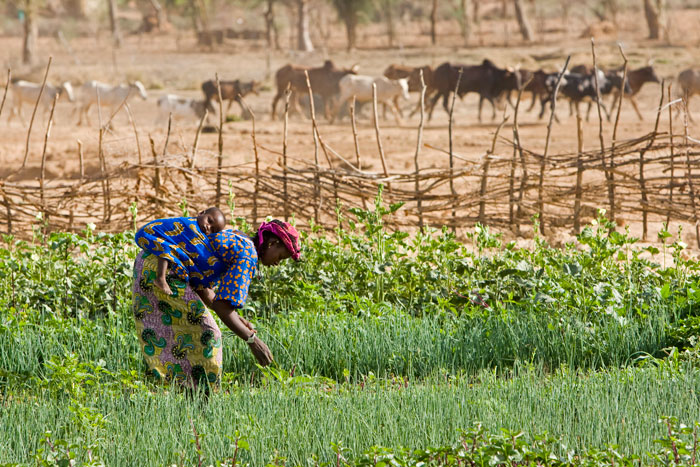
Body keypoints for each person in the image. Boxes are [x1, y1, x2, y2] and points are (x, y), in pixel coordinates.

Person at [131, 218, 301, 392]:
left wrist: (238, 319)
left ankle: (187, 392)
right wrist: (252, 340)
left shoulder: (238, 237)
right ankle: (201, 399)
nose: (277, 263)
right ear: (272, 243)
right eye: (280, 256)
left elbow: (205, 291)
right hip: (165, 271)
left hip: (150, 261)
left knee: (188, 332)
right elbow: (222, 305)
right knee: (208, 334)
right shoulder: (248, 255)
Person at [134, 207, 226, 295]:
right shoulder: (190, 226)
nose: (208, 227)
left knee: (176, 252)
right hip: (148, 234)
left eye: (212, 230)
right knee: (167, 247)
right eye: (209, 221)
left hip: (159, 239)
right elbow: (199, 252)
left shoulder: (198, 233)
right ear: (201, 213)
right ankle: (160, 278)